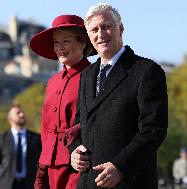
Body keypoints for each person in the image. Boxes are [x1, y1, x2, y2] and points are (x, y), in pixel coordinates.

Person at [70, 3, 168, 189]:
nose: (101, 34)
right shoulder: (86, 75)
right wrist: (73, 151)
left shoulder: (146, 71)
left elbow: (154, 130)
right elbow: (78, 124)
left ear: (120, 29)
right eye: (94, 29)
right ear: (89, 36)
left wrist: (122, 167)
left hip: (129, 182)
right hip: (88, 182)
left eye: (107, 26)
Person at [29, 14, 96, 189]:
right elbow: (46, 131)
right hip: (51, 166)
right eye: (56, 42)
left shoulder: (95, 77)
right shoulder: (52, 82)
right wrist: (41, 173)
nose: (60, 47)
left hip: (81, 164)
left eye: (66, 41)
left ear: (83, 42)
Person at [0, 105, 41, 189]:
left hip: (30, 184)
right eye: (18, 113)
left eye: (22, 112)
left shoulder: (36, 138)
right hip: (7, 184)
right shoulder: (2, 139)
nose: (22, 115)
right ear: (10, 119)